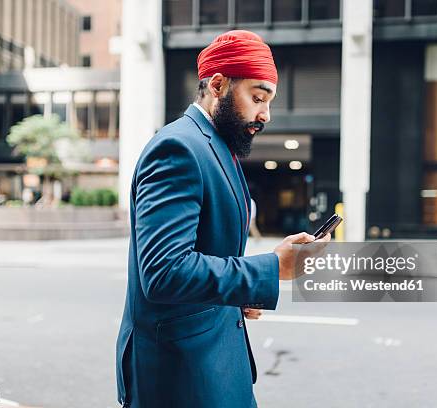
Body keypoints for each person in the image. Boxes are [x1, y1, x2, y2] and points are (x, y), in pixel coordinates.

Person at [115, 30, 330, 408]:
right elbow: (165, 273)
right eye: (258, 97)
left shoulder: (215, 145)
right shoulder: (178, 147)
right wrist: (270, 269)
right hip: (180, 376)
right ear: (218, 85)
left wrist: (240, 293)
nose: (266, 114)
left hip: (211, 361)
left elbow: (206, 252)